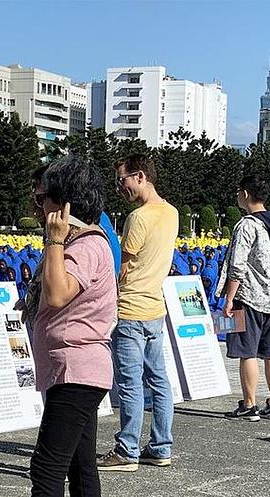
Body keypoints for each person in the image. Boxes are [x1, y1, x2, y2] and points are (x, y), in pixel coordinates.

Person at [0, 156, 116, 497]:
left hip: (76, 369)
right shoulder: (83, 244)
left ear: (64, 204)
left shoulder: (84, 246)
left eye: (42, 200)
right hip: (73, 369)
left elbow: (57, 293)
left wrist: (54, 242)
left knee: (47, 466)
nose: (37, 208)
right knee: (79, 464)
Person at [97, 154, 177, 472]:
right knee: (159, 380)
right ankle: (161, 446)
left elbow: (124, 267)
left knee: (130, 383)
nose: (120, 187)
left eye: (123, 180)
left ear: (140, 176)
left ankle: (127, 449)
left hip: (130, 309)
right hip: (155, 307)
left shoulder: (138, 218)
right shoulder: (171, 213)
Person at [216, 175, 270, 422]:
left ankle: (249, 404)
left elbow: (237, 265)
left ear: (246, 194)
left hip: (248, 296)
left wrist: (229, 298)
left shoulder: (247, 225)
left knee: (247, 351)